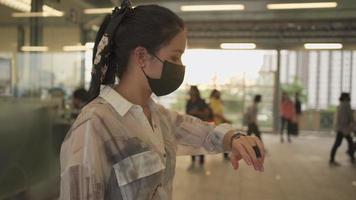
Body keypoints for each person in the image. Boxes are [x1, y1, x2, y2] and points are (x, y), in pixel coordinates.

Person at [59, 1, 265, 199]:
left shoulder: (157, 116)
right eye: (175, 57)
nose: (180, 66)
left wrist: (235, 138)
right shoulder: (94, 125)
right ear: (141, 56)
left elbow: (203, 133)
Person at [186, 86, 212, 165]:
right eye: (190, 90)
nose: (191, 92)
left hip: (200, 125)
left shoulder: (201, 101)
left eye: (192, 90)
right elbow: (187, 113)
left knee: (201, 143)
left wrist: (196, 112)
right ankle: (193, 159)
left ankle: (201, 160)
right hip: (191, 125)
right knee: (192, 143)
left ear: (196, 91)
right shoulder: (189, 102)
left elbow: (207, 113)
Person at [329, 93, 355, 165]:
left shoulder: (340, 105)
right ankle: (351, 156)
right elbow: (349, 117)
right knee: (340, 143)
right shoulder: (346, 105)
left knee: (345, 142)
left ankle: (351, 156)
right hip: (343, 128)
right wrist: (352, 127)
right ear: (346, 98)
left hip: (341, 128)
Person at [209, 89, 232, 160]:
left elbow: (220, 112)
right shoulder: (212, 101)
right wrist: (225, 119)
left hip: (220, 123)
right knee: (223, 140)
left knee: (224, 139)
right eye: (217, 93)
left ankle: (226, 155)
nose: (219, 95)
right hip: (215, 124)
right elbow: (214, 113)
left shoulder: (218, 102)